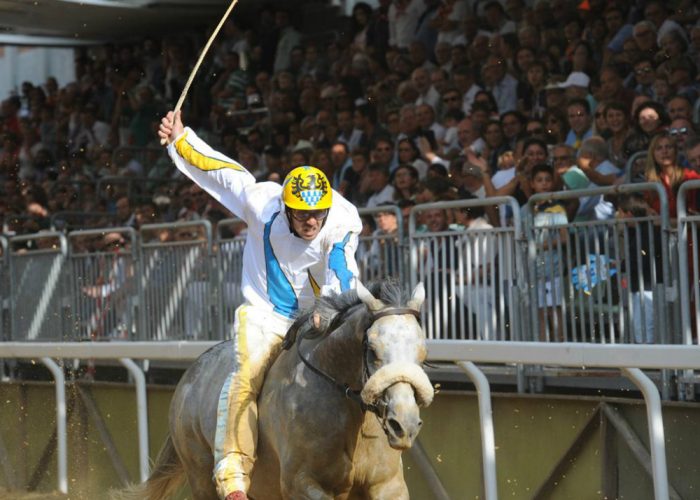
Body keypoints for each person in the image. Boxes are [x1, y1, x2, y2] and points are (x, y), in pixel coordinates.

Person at [158, 110, 362, 500]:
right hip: (266, 316)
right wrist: (182, 138)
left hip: (326, 314)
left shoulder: (343, 218)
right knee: (246, 375)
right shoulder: (262, 201)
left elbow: (343, 271)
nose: (311, 222)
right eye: (302, 215)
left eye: (318, 213)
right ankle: (233, 474)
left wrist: (330, 308)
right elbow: (221, 172)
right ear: (286, 207)